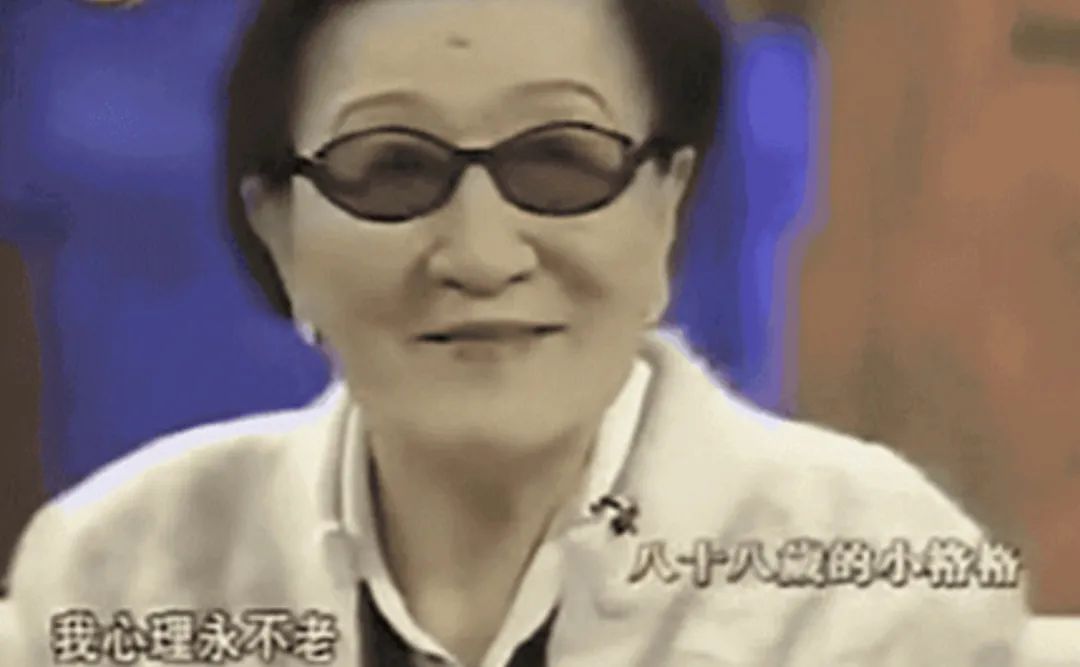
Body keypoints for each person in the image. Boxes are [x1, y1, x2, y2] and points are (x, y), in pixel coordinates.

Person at [1, 0, 1029, 665]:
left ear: (667, 203)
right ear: (274, 224)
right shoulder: (107, 573)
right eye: (391, 171)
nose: (481, 254)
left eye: (560, 163)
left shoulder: (885, 581)